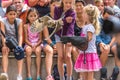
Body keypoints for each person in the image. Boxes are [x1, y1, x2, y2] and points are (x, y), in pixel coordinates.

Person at [74, 4, 102, 80]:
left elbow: (89, 38)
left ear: (88, 15)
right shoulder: (85, 26)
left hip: (89, 53)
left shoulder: (90, 27)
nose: (82, 14)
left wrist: (78, 41)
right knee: (84, 73)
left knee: (89, 74)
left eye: (84, 13)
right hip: (84, 53)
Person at [96, 6, 120, 80]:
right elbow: (96, 35)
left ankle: (115, 72)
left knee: (116, 48)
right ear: (103, 14)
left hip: (110, 43)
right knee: (105, 50)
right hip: (100, 42)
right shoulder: (98, 22)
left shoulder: (114, 23)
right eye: (106, 17)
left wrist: (109, 45)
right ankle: (103, 73)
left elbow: (115, 36)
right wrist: (100, 43)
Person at [54, 0, 76, 80]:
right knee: (60, 56)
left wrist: (69, 39)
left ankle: (69, 77)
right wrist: (65, 20)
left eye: (70, 3)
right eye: (66, 2)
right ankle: (61, 77)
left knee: (68, 56)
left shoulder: (73, 12)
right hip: (59, 34)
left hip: (68, 35)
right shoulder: (57, 9)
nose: (68, 4)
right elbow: (55, 22)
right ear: (63, 2)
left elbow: (71, 27)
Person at [1, 5, 23, 80]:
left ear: (16, 14)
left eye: (14, 14)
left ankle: (19, 75)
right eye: (10, 14)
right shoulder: (3, 21)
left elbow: (20, 35)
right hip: (6, 42)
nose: (12, 16)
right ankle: (5, 74)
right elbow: (3, 35)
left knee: (20, 52)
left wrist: (19, 46)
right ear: (6, 14)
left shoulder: (19, 21)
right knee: (5, 52)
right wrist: (4, 45)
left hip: (15, 42)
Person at [24, 8, 42, 80]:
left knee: (38, 51)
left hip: (38, 43)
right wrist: (31, 45)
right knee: (28, 51)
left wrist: (36, 45)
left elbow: (40, 39)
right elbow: (25, 39)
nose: (33, 18)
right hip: (29, 43)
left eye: (35, 16)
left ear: (37, 16)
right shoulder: (26, 26)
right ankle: (29, 74)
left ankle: (38, 74)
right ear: (28, 17)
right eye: (31, 16)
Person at [72, 0, 85, 79]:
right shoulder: (72, 18)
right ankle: (81, 74)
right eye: (77, 5)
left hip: (86, 42)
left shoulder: (87, 18)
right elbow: (70, 34)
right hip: (75, 42)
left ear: (84, 7)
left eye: (80, 5)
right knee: (74, 50)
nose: (78, 7)